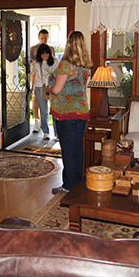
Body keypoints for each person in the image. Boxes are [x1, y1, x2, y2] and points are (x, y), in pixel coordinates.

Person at [46, 31, 92, 194]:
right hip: (81, 112)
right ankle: (77, 183)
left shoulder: (66, 64)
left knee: (68, 150)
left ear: (69, 44)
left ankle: (69, 186)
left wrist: (48, 88)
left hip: (66, 113)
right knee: (77, 149)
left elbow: (57, 89)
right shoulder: (85, 64)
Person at [30, 44, 59, 140]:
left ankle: (57, 133)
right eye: (42, 54)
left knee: (55, 110)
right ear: (39, 54)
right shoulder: (36, 63)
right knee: (43, 111)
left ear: (50, 53)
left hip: (53, 87)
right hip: (40, 88)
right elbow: (34, 74)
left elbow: (59, 74)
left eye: (46, 53)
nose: (45, 55)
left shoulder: (55, 62)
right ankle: (46, 132)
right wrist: (32, 87)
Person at [30, 29, 55, 133]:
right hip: (37, 79)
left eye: (46, 38)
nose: (44, 40)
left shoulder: (51, 49)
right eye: (42, 38)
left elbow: (54, 64)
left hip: (49, 82)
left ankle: (56, 131)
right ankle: (37, 122)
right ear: (38, 38)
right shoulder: (33, 49)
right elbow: (25, 60)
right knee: (36, 101)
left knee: (52, 107)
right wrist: (31, 62)